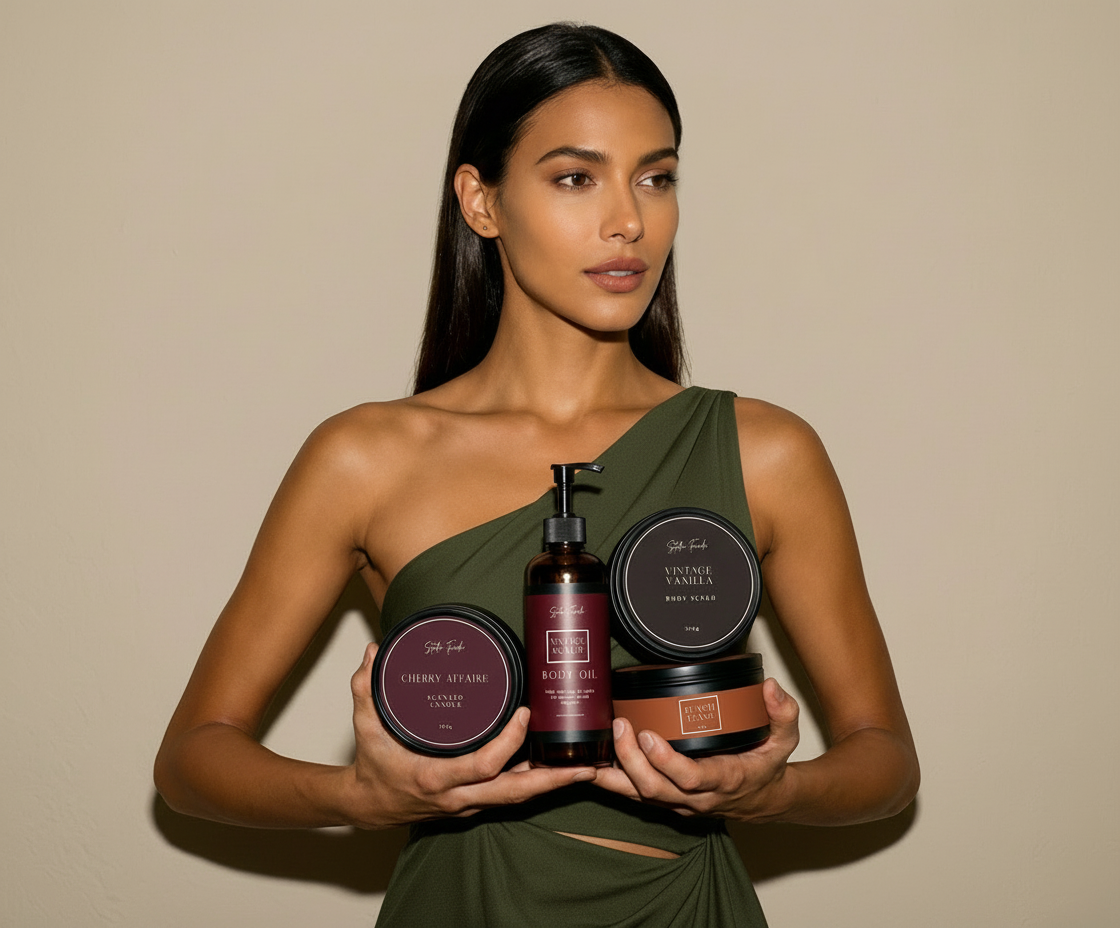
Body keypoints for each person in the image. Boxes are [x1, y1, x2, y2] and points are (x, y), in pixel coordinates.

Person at [155, 22, 919, 927]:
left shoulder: (766, 451)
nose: (629, 219)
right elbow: (192, 760)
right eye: (574, 178)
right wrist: (362, 797)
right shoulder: (364, 457)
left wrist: (771, 793)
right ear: (481, 201)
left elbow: (886, 762)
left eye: (656, 176)